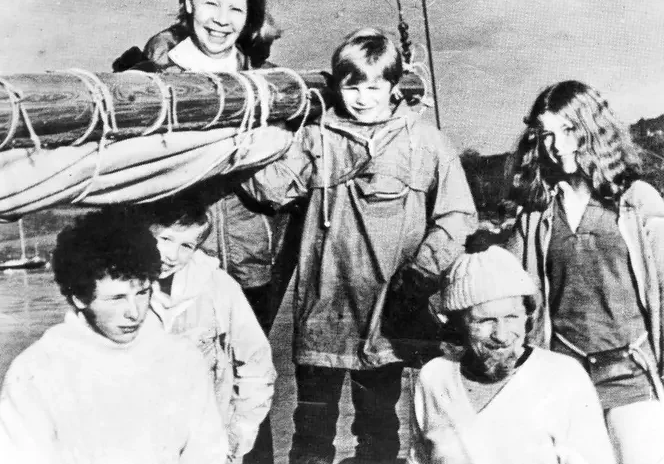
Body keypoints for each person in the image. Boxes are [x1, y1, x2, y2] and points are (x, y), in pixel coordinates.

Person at [239, 28, 478, 464]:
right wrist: (263, 133)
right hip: (322, 311)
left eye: (374, 86)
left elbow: (458, 216)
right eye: (352, 86)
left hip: (387, 316)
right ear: (336, 86)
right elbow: (269, 192)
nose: (363, 98)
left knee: (379, 427)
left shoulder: (425, 142)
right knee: (310, 429)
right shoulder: (316, 138)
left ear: (393, 88)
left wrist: (421, 273)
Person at [113, 0, 296, 463]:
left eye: (235, 8)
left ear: (250, 17)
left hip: (247, 268)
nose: (221, 18)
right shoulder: (148, 83)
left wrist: (242, 151)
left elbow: (285, 188)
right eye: (211, 2)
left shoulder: (271, 87)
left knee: (247, 392)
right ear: (189, 2)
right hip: (164, 269)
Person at [505, 80, 664, 464]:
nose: (558, 146)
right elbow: (505, 288)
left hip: (632, 375)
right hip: (564, 380)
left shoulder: (637, 201)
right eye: (547, 135)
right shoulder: (536, 215)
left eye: (569, 130)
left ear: (594, 129)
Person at [0, 209, 227, 464]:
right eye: (116, 298)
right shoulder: (36, 371)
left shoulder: (182, 358)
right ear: (79, 298)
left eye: (142, 293)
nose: (133, 312)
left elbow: (207, 452)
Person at [409, 246, 615, 464]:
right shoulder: (434, 378)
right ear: (458, 324)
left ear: (527, 316)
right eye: (485, 320)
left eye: (511, 317)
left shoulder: (562, 376)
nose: (501, 335)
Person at [134, 193, 276, 464]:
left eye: (187, 245)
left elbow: (257, 365)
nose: (173, 256)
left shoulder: (217, 286)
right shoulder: (113, 287)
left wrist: (239, 433)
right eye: (165, 239)